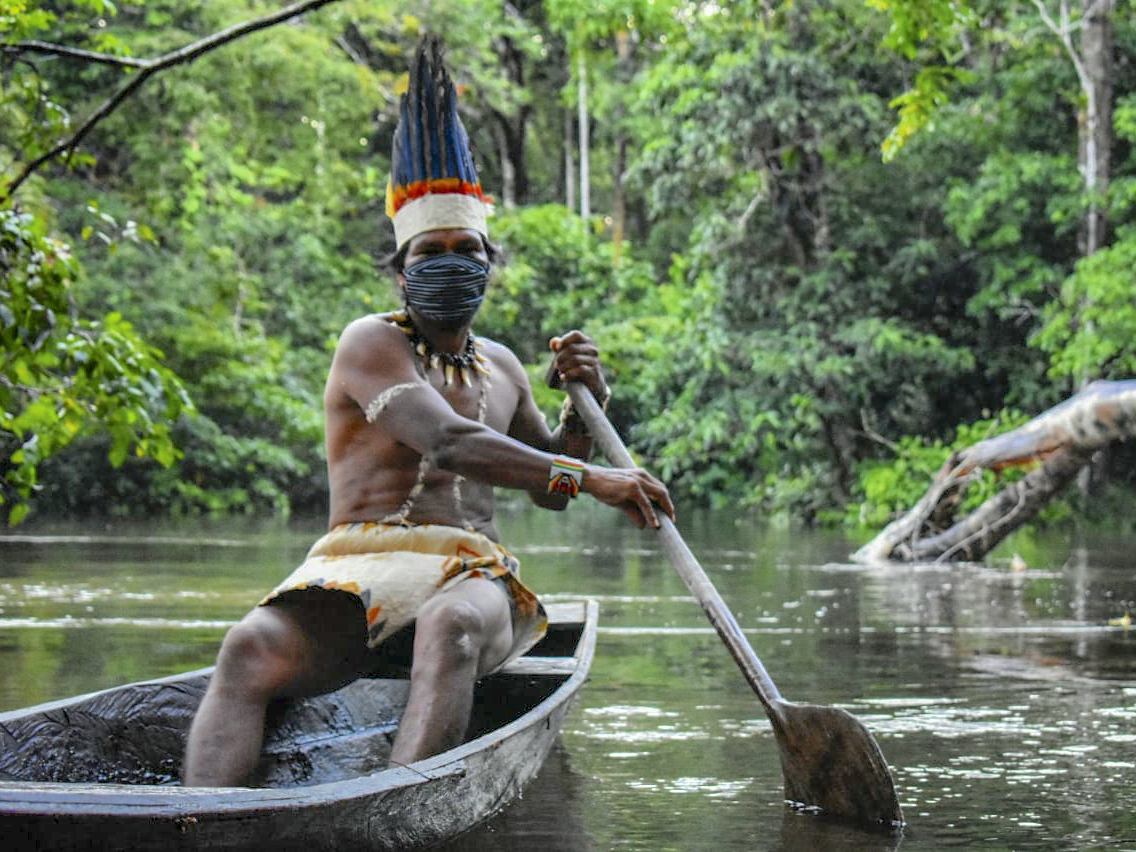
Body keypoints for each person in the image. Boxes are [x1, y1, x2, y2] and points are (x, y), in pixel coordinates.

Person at [181, 39, 673, 787]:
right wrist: (596, 477)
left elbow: (545, 485)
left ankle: (390, 811)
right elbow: (446, 442)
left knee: (451, 623)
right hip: (356, 565)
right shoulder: (369, 343)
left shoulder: (503, 365)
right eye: (431, 251)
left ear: (487, 262)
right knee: (248, 647)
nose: (449, 262)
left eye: (465, 249)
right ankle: (201, 824)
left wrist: (588, 402)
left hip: (473, 575)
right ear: (403, 271)